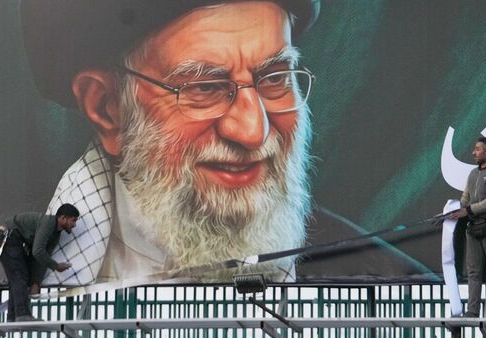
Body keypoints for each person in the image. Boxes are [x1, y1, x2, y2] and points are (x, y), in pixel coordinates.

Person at [21, 0, 320, 285]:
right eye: (205, 87)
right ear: (106, 108)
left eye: (274, 78)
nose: (253, 131)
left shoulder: (359, 264)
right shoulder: (6, 268)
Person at [448, 137, 486, 317]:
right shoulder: (473, 174)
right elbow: (465, 199)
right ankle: (472, 311)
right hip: (473, 227)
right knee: (473, 272)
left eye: (477, 149)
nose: (473, 153)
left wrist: (467, 210)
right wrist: (451, 212)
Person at [0, 204, 78, 321]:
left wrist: (35, 282)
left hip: (14, 241)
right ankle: (22, 314)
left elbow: (41, 258)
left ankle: (13, 316)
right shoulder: (48, 224)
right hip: (8, 238)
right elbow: (38, 252)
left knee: (19, 278)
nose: (74, 224)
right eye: (73, 220)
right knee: (19, 276)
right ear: (63, 218)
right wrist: (56, 266)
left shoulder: (55, 234)